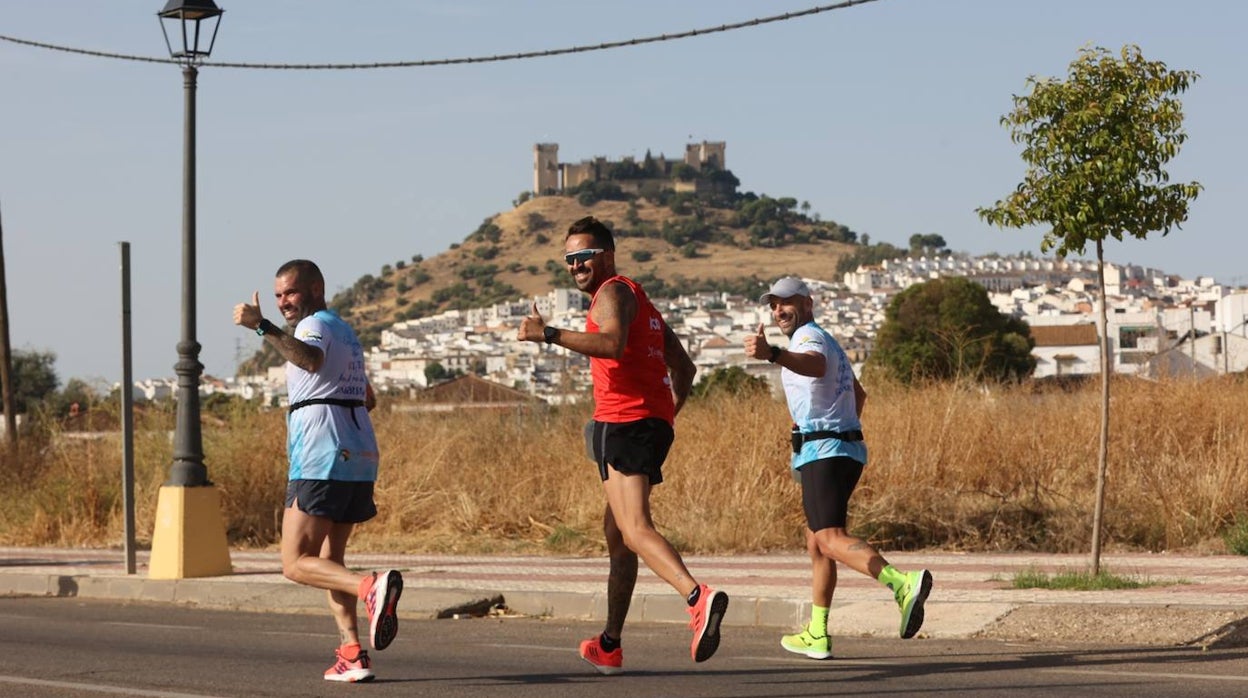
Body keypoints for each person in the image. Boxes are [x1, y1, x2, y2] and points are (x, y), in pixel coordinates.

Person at [517, 215, 728, 674]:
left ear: (607, 256)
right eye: (569, 260)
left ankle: (697, 597)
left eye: (584, 257)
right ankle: (610, 643)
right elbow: (685, 370)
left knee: (633, 528)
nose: (575, 266)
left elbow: (611, 346)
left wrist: (547, 334)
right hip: (648, 422)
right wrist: (664, 416)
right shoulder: (641, 301)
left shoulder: (612, 293)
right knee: (617, 535)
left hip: (623, 422)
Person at [744, 277, 932, 660]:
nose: (779, 310)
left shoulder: (808, 339)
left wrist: (773, 354)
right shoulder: (823, 338)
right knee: (817, 542)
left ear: (808, 303)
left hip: (824, 451)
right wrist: (839, 426)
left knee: (829, 538)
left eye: (786, 302)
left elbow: (814, 366)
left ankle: (902, 583)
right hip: (840, 448)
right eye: (773, 305)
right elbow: (858, 394)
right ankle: (817, 632)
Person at [233, 259, 402, 683]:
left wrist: (262, 327)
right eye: (278, 296)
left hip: (322, 456)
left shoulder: (314, 327)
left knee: (295, 563)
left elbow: (308, 360)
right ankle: (352, 654)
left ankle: (371, 588)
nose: (283, 301)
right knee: (331, 561)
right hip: (359, 455)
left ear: (315, 288)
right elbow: (367, 397)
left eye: (290, 292)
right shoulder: (345, 332)